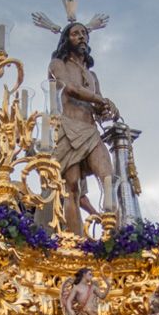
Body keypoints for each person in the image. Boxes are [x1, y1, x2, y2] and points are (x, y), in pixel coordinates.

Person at [47, 16, 118, 230]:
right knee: (72, 188)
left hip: (90, 130)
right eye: (76, 33)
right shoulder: (57, 64)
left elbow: (99, 107)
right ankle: (76, 242)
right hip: (68, 129)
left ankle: (116, 238)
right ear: (66, 39)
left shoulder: (92, 74)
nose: (82, 37)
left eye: (84, 33)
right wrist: (100, 100)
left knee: (108, 179)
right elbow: (70, 88)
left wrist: (107, 109)